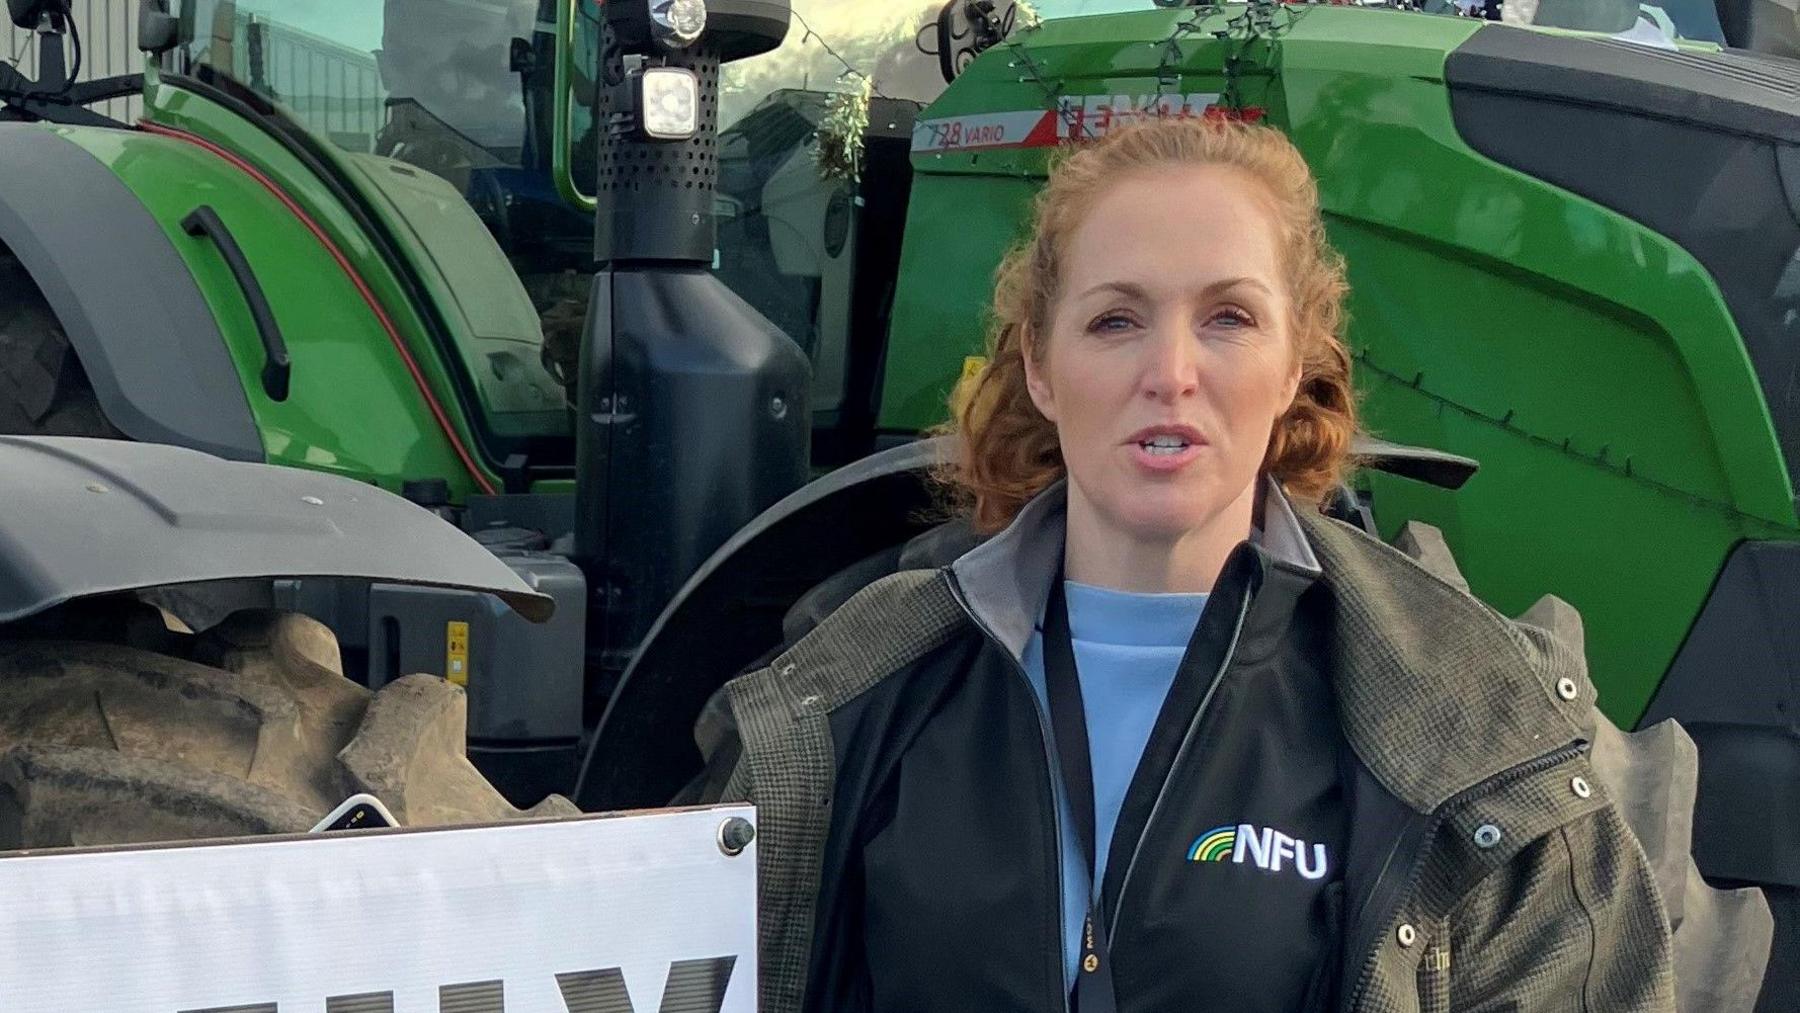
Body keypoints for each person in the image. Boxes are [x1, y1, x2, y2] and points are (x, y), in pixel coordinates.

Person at [692, 117, 1759, 1012]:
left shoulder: (1477, 725)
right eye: (1115, 320)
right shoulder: (855, 692)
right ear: (1042, 367)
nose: (1170, 372)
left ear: (1294, 365)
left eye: (1229, 317)